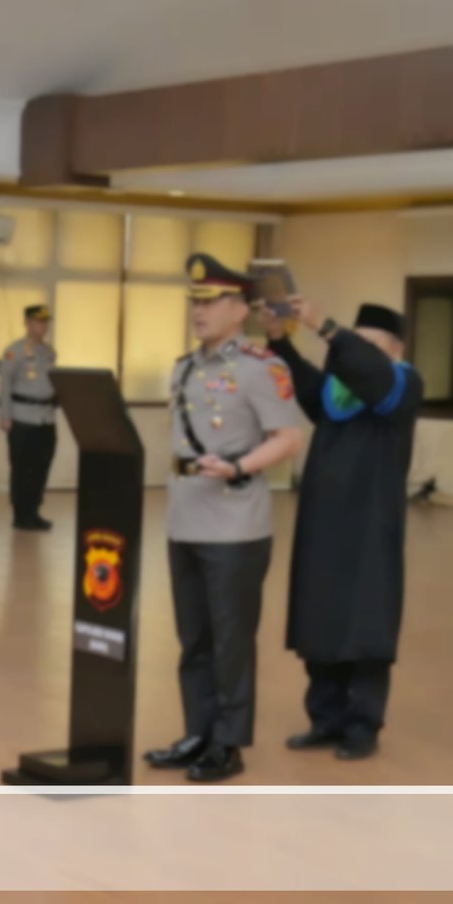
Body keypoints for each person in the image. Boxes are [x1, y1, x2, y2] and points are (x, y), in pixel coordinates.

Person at [143, 254, 304, 782]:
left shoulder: (261, 368)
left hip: (235, 527)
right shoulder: (184, 367)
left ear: (240, 310)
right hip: (185, 519)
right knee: (194, 639)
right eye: (195, 301)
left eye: (211, 302)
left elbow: (288, 439)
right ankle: (198, 732)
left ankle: (228, 743)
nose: (199, 311)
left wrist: (238, 466)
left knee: (231, 641)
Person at [260, 298, 423, 762]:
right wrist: (279, 340)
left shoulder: (402, 385)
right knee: (322, 619)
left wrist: (328, 328)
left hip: (371, 527)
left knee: (364, 625)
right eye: (357, 342)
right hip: (323, 521)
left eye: (371, 344)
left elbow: (369, 373)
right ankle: (325, 719)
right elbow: (307, 383)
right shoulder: (339, 392)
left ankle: (362, 725)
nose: (358, 352)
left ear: (396, 348)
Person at [1, 303, 58, 531]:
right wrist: (5, 416)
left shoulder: (49, 352)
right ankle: (20, 514)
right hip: (22, 418)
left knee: (41, 467)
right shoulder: (14, 351)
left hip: (46, 418)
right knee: (22, 469)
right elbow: (5, 384)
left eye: (45, 322)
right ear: (27, 323)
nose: (42, 327)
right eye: (37, 322)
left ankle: (34, 511)